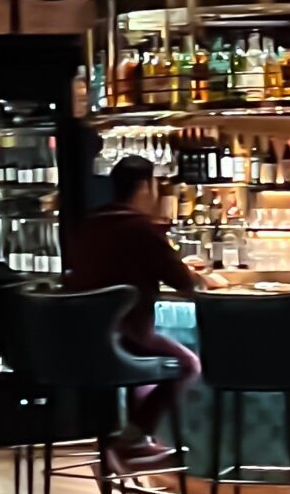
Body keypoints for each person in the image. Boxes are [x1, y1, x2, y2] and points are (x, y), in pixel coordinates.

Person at [62, 155, 206, 462]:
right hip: (127, 337)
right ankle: (134, 436)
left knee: (146, 372)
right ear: (144, 187)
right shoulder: (140, 229)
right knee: (187, 365)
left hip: (81, 340)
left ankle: (135, 439)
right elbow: (185, 283)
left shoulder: (88, 225)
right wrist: (200, 276)